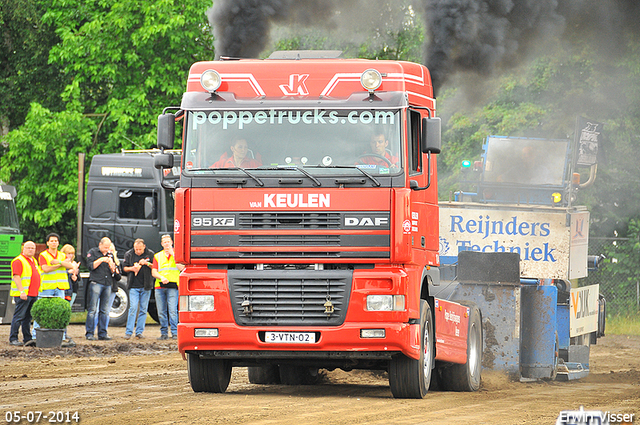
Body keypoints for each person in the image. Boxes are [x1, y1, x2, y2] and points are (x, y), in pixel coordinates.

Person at [35, 233, 78, 346]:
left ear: (58, 243)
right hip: (47, 287)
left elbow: (71, 266)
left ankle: (61, 336)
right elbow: (45, 269)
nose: (54, 242)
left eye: (56, 241)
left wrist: (59, 262)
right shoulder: (43, 255)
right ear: (48, 243)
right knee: (42, 310)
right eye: (52, 241)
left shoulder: (61, 255)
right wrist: (60, 265)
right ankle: (35, 336)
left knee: (61, 312)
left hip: (60, 287)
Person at [152, 234, 185, 340]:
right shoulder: (158, 256)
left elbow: (182, 268)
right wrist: (161, 277)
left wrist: (174, 255)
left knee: (172, 311)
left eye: (168, 242)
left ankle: (175, 333)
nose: (166, 244)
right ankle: (164, 333)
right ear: (162, 244)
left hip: (173, 286)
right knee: (161, 311)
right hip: (160, 286)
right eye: (164, 242)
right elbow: (154, 271)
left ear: (172, 242)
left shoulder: (178, 254)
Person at [85, 237, 118, 341]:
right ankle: (89, 333)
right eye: (105, 247)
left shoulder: (110, 254)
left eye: (108, 247)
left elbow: (115, 272)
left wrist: (112, 267)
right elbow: (90, 266)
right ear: (100, 245)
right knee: (92, 310)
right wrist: (101, 259)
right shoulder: (93, 252)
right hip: (96, 283)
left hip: (107, 284)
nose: (106, 249)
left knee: (104, 310)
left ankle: (102, 333)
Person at [9, 241, 41, 346]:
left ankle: (27, 338)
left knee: (27, 318)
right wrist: (22, 291)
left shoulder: (33, 260)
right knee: (19, 316)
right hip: (23, 294)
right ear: (23, 248)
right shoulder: (18, 261)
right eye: (28, 248)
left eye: (32, 248)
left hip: (32, 293)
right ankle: (13, 338)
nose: (31, 250)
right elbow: (16, 276)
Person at [122, 239, 154, 339]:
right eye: (136, 249)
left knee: (143, 310)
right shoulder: (129, 254)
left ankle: (139, 332)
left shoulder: (150, 254)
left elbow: (156, 267)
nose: (138, 251)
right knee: (133, 308)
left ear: (144, 247)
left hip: (146, 286)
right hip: (133, 286)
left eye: (140, 249)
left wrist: (146, 263)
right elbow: (124, 268)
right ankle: (129, 332)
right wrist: (133, 268)